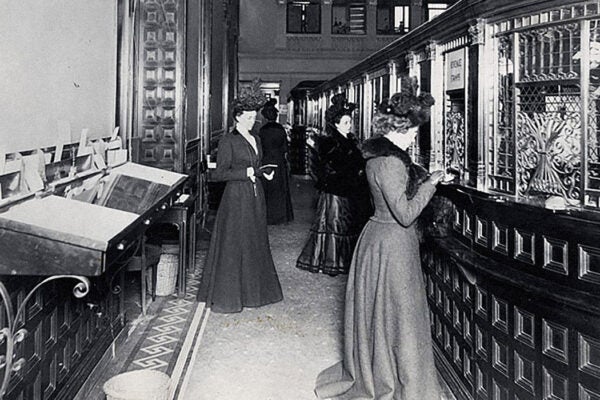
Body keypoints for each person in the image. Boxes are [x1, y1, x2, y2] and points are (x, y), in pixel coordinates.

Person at [314, 79, 445, 399]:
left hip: (378, 240)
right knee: (400, 316)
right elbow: (406, 214)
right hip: (393, 244)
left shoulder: (376, 155)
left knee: (382, 317)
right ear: (400, 128)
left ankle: (380, 368)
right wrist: (432, 183)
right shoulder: (392, 162)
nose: (415, 137)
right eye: (413, 130)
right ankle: (397, 380)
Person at [197, 84, 283, 313]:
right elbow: (218, 174)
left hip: (255, 196)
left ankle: (255, 293)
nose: (251, 121)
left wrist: (264, 172)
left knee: (255, 240)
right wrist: (246, 173)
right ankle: (232, 295)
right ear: (237, 117)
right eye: (247, 117)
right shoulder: (228, 140)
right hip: (236, 198)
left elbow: (257, 164)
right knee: (235, 245)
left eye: (254, 117)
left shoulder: (256, 137)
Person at [296, 94, 372, 276]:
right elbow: (332, 167)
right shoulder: (330, 142)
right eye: (345, 122)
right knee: (336, 226)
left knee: (347, 225)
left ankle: (344, 261)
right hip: (337, 191)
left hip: (350, 189)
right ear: (336, 124)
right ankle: (333, 262)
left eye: (350, 121)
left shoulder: (351, 140)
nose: (349, 125)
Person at [258, 98, 294, 224]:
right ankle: (281, 216)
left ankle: (268, 216)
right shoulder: (280, 129)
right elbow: (285, 148)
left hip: (266, 160)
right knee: (280, 189)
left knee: (268, 189)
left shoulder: (262, 131)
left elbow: (260, 148)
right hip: (279, 161)